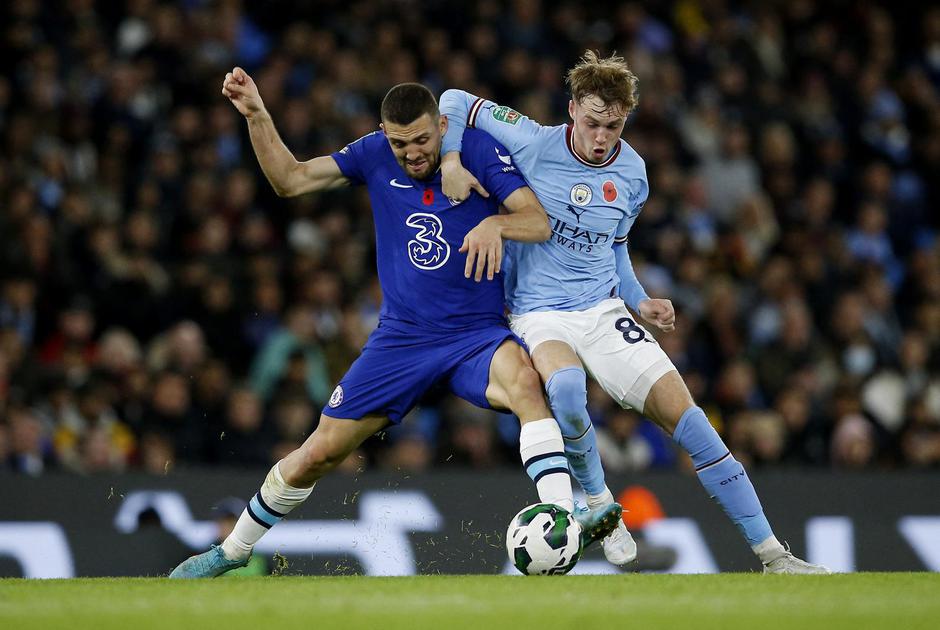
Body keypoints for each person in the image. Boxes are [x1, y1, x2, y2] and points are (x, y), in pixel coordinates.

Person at [169, 70, 622, 578]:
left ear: (442, 127)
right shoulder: (372, 154)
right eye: (400, 142)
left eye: (423, 139)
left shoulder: (475, 150)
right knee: (317, 453)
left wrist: (494, 222)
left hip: (475, 334)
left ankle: (559, 518)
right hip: (401, 340)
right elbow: (290, 180)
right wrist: (257, 115)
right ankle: (232, 550)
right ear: (385, 134)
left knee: (525, 383)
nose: (412, 152)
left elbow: (537, 222)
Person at [438, 51, 831, 574]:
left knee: (694, 426)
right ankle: (600, 500)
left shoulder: (634, 173)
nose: (602, 137)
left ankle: (773, 556)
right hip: (538, 311)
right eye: (593, 123)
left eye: (614, 125)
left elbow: (615, 246)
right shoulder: (532, 138)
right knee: (568, 389)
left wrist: (640, 297)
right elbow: (454, 101)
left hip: (603, 309)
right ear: (572, 109)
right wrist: (449, 159)